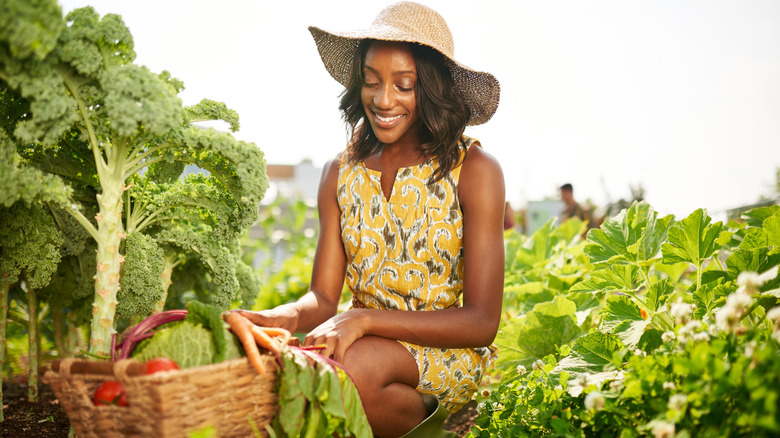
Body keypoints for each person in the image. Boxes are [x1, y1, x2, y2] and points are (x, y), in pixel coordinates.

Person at [237, 2, 505, 437]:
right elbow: (323, 299)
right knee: (296, 364)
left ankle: (439, 425)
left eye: (404, 85)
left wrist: (363, 320)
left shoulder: (475, 170)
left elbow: (480, 322)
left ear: (432, 88)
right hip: (356, 343)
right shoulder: (340, 173)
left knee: (346, 370)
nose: (383, 100)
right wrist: (279, 317)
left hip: (445, 354)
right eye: (371, 82)